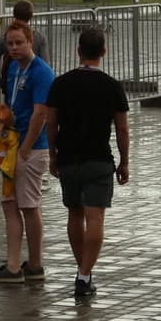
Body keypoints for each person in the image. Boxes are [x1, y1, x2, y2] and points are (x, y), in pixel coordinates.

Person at [46, 27, 130, 298]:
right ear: (103, 52)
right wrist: (124, 162)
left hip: (69, 157)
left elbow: (51, 123)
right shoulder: (112, 86)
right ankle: (84, 275)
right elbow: (122, 129)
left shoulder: (61, 83)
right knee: (96, 218)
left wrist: (52, 154)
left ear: (78, 51)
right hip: (99, 159)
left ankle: (83, 270)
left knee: (74, 214)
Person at [0, 20, 54, 284]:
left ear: (30, 41)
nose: (13, 48)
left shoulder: (41, 72)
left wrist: (25, 147)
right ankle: (18, 264)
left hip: (30, 149)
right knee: (11, 205)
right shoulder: (12, 69)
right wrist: (1, 121)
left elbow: (40, 113)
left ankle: (32, 264)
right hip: (10, 145)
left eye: (18, 43)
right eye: (9, 43)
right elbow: (13, 106)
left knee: (28, 206)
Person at [0, 0, 51, 100]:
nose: (14, 47)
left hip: (11, 86)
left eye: (19, 43)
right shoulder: (40, 38)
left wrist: (2, 83)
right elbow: (46, 65)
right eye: (11, 44)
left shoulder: (5, 38)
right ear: (31, 16)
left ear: (14, 15)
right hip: (33, 86)